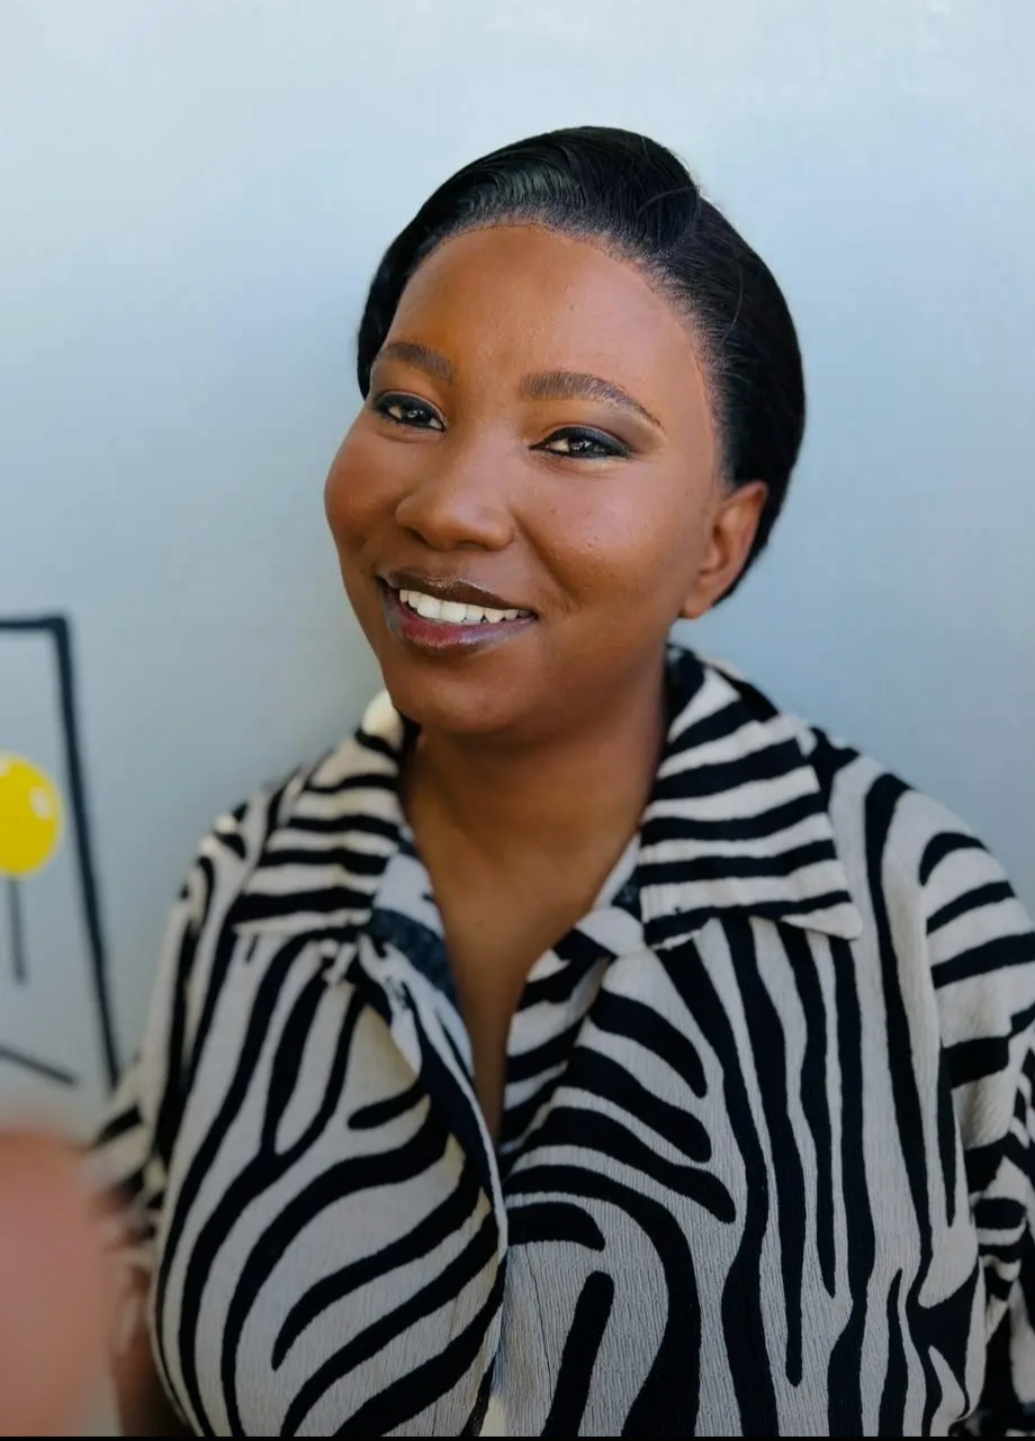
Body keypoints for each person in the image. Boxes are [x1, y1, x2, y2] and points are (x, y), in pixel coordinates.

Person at [85, 127, 1035, 1435]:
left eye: (579, 439)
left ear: (718, 545)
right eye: (409, 409)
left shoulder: (923, 929)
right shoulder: (248, 884)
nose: (451, 507)